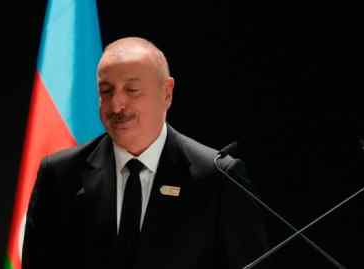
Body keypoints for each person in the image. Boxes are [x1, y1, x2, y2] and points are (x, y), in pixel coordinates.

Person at [22, 37, 268, 268]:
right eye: (106, 91)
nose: (117, 105)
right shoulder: (59, 174)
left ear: (167, 92)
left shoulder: (217, 177)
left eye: (132, 90)